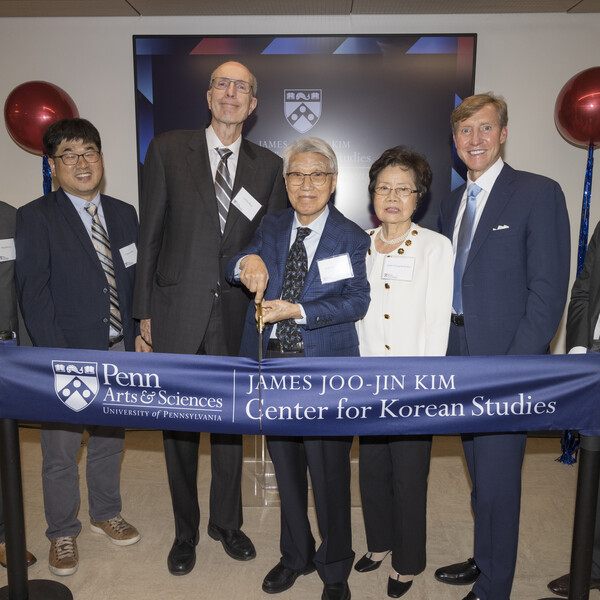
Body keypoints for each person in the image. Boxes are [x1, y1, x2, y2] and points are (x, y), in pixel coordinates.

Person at [133, 60, 287, 575]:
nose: (231, 93)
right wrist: (143, 313)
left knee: (230, 426)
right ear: (207, 95)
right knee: (177, 429)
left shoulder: (267, 166)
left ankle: (227, 522)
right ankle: (185, 531)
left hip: (236, 315)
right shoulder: (168, 148)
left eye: (242, 87)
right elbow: (149, 233)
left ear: (254, 104)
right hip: (175, 311)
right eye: (223, 83)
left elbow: (265, 242)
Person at [433, 93, 570, 600]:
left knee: (500, 479)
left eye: (485, 129)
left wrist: (515, 369)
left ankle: (495, 586)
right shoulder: (449, 203)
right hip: (455, 357)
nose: (475, 140)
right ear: (455, 140)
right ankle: (482, 556)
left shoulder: (539, 192)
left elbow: (548, 293)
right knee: (479, 472)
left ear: (503, 133)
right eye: (465, 131)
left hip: (504, 363)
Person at [226, 137, 370, 600]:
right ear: (285, 182)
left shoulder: (350, 236)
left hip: (324, 371)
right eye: (296, 175)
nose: (305, 185)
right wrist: (245, 262)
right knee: (285, 468)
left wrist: (301, 312)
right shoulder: (271, 224)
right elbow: (234, 264)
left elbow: (357, 300)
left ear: (332, 182)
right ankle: (296, 554)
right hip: (274, 366)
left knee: (329, 475)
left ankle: (334, 570)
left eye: (316, 175)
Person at [15, 118, 142, 576]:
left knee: (110, 440)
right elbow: (34, 292)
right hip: (66, 353)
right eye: (69, 155)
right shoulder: (35, 216)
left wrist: (141, 332)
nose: (82, 163)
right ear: (53, 165)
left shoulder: (125, 212)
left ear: (101, 158)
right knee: (60, 451)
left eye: (89, 151)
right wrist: (56, 357)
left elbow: (133, 279)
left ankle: (106, 512)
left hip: (118, 348)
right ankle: (62, 532)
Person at [354, 147, 453, 598]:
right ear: (372, 193)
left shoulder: (435, 246)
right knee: (371, 469)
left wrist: (428, 386)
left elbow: (437, 320)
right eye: (384, 188)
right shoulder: (358, 245)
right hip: (365, 381)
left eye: (403, 189)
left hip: (413, 381)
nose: (392, 197)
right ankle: (379, 542)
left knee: (409, 476)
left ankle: (408, 560)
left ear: (419, 196)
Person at [546, 219, 600, 598]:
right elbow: (584, 291)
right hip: (595, 360)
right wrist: (580, 356)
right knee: (595, 472)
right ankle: (592, 567)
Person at [0, 200, 36, 570]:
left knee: (5, 449)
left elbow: (25, 286)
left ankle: (4, 537)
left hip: (6, 351)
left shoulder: (12, 217)